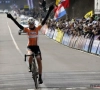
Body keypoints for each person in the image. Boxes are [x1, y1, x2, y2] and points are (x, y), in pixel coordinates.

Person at [7, 5, 54, 84]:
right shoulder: (27, 30)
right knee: (30, 56)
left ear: (34, 24)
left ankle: (40, 77)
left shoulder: (37, 28)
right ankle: (30, 66)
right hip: (30, 47)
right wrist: (11, 17)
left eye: (32, 24)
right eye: (29, 24)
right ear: (28, 24)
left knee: (39, 60)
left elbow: (44, 21)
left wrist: (49, 11)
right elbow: (18, 25)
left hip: (36, 47)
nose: (31, 25)